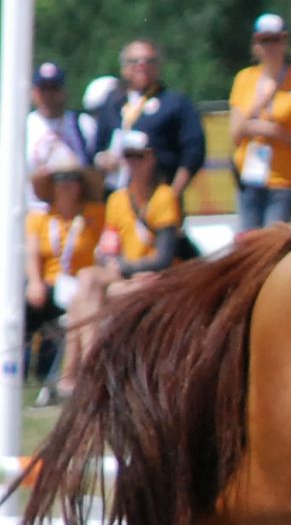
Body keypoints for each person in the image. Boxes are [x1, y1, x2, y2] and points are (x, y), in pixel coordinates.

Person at [67, 130, 183, 395]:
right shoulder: (118, 198)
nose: (132, 163)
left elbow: (163, 258)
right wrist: (114, 264)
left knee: (85, 299)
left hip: (157, 275)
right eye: (128, 157)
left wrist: (126, 268)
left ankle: (80, 373)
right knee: (87, 279)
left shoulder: (164, 197)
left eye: (138, 156)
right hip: (125, 271)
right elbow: (109, 247)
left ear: (151, 158)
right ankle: (90, 367)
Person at [228, 13, 291, 230]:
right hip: (249, 178)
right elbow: (235, 133)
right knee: (248, 245)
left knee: (274, 244)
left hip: (285, 182)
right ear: (256, 43)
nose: (270, 46)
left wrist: (276, 132)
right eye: (264, 40)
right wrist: (258, 104)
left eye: (275, 39)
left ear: (285, 41)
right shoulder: (245, 78)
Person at [24, 146, 106, 396]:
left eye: (73, 179)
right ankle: (21, 371)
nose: (67, 185)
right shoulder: (40, 218)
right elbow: (32, 253)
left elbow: (105, 249)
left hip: (81, 281)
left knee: (78, 300)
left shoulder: (96, 214)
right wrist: (34, 282)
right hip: (49, 282)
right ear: (52, 185)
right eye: (61, 179)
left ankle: (71, 376)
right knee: (16, 307)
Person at [91, 39, 206, 204]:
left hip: (159, 195)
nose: (142, 65)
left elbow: (194, 153)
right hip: (117, 198)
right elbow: (97, 147)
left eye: (149, 61)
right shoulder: (113, 103)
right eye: (134, 61)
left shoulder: (175, 103)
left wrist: (173, 195)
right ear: (123, 67)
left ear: (159, 66)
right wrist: (103, 160)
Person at [25, 63, 96, 214]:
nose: (49, 96)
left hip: (75, 214)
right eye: (43, 90)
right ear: (34, 92)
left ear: (64, 91)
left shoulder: (83, 124)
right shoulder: (23, 127)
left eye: (54, 89)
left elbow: (92, 170)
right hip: (35, 212)